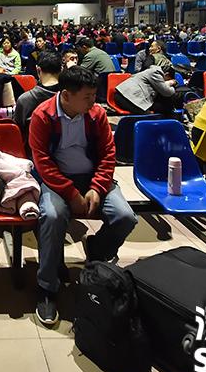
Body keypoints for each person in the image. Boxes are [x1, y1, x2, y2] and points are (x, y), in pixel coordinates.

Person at [28, 65, 137, 327]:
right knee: (52, 216)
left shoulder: (96, 115)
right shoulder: (42, 116)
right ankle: (47, 287)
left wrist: (97, 187)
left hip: (92, 179)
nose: (93, 101)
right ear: (66, 95)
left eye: (93, 95)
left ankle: (97, 249)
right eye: (87, 96)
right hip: (56, 181)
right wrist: (71, 193)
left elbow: (108, 154)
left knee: (125, 217)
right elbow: (42, 161)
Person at [13, 51, 62, 135]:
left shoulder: (24, 100)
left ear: (38, 69)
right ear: (61, 69)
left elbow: (18, 132)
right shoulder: (72, 98)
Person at [113, 64, 178, 117]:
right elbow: (167, 92)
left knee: (161, 107)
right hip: (125, 98)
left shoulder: (151, 70)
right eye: (168, 79)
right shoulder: (155, 74)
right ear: (166, 74)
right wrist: (170, 83)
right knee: (150, 115)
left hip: (124, 95)